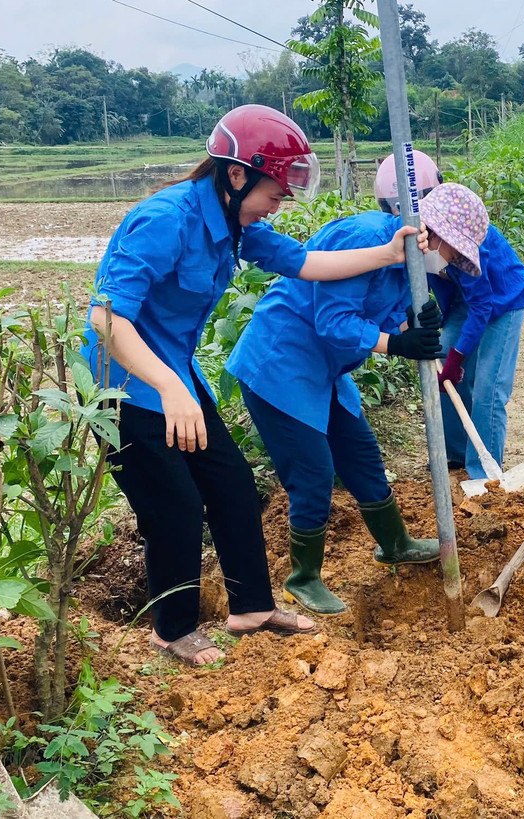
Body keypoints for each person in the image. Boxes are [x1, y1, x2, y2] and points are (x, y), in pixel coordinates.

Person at [84, 104, 419, 667]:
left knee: (234, 486)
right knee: (176, 507)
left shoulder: (238, 226)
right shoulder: (168, 219)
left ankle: (252, 609)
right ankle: (173, 631)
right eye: (274, 193)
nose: (276, 206)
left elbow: (309, 263)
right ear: (236, 174)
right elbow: (105, 318)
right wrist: (168, 387)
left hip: (175, 378)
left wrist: (387, 254)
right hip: (124, 384)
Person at [226, 183, 491, 615]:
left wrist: (411, 327)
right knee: (314, 472)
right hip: (281, 363)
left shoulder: (408, 268)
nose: (448, 263)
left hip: (325, 369)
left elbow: (380, 316)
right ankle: (304, 577)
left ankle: (395, 544)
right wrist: (398, 345)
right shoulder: (366, 238)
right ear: (432, 232)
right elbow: (334, 321)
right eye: (451, 251)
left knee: (362, 453)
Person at [373, 151, 524, 477]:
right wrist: (448, 355)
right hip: (465, 303)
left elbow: (483, 306)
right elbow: (418, 291)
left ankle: (484, 474)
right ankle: (458, 454)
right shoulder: (419, 238)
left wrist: (459, 359)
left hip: (503, 301)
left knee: (489, 388)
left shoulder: (467, 237)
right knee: (441, 363)